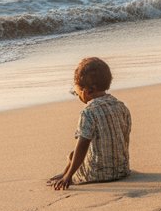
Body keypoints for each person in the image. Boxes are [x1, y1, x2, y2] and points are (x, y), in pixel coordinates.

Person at [48, 57, 131, 190]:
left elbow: (83, 145)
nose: (78, 95)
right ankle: (65, 173)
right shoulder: (121, 107)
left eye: (77, 92)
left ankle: (66, 174)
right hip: (122, 170)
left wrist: (68, 176)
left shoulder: (88, 112)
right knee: (77, 154)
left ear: (87, 91)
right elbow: (123, 139)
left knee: (73, 154)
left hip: (96, 173)